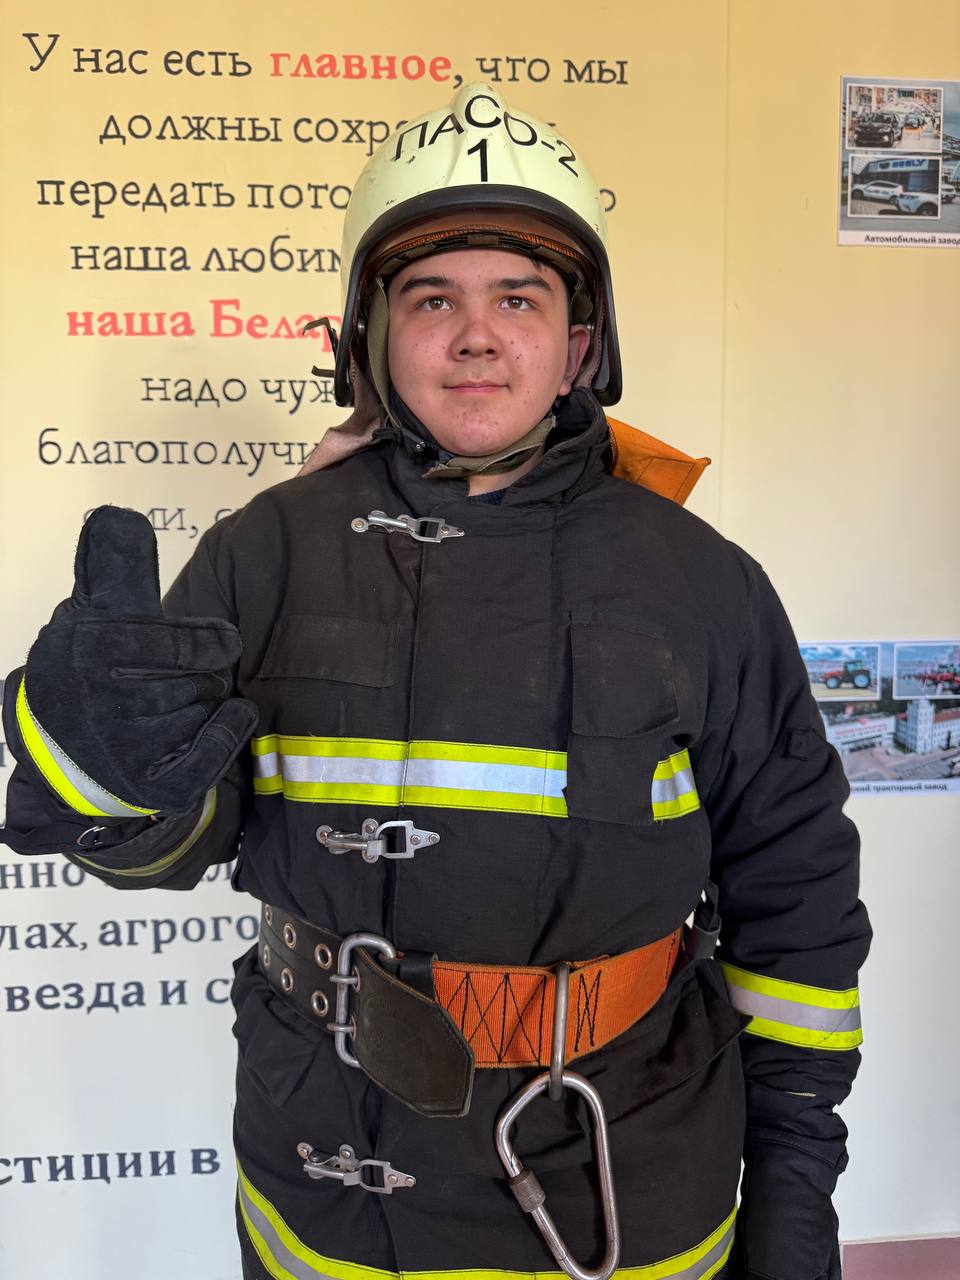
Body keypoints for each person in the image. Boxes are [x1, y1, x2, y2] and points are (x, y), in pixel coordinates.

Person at [1, 83, 870, 1280]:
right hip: (327, 1172)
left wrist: (795, 1187)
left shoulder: (703, 581)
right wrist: (108, 780)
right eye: (431, 299)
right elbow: (168, 843)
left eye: (518, 297)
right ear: (366, 338)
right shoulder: (265, 549)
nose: (476, 336)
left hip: (630, 1174)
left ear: (580, 344)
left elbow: (796, 893)